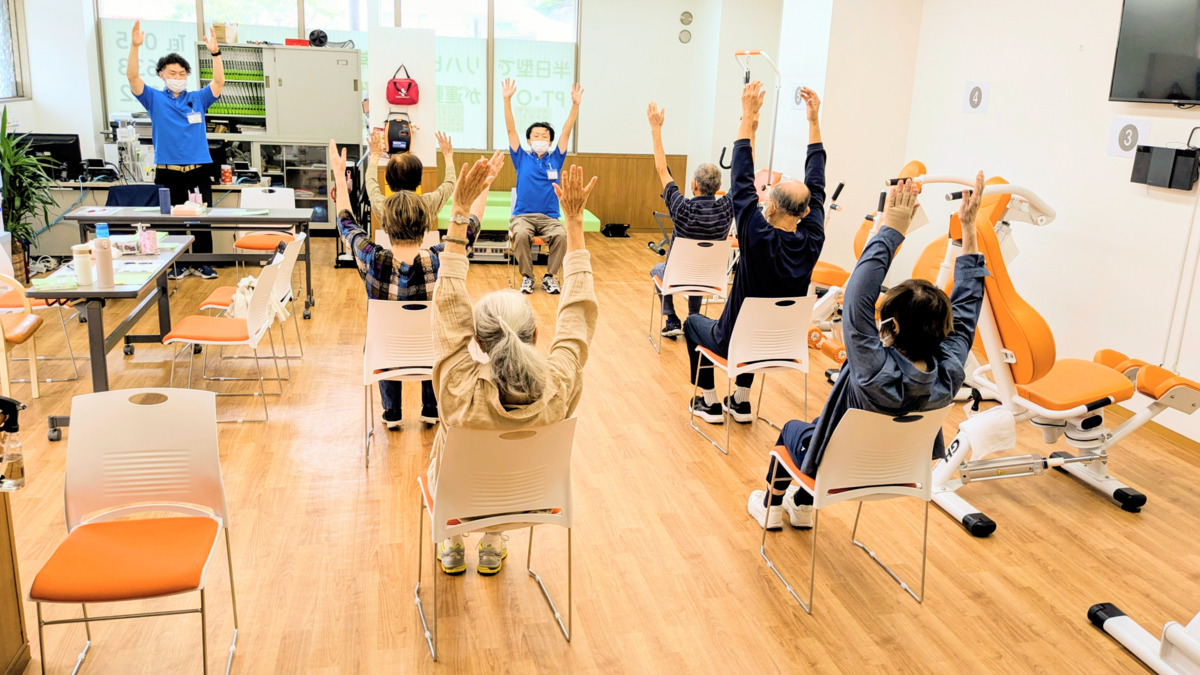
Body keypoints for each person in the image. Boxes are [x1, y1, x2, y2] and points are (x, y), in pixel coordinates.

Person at [747, 174, 989, 530]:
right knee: (817, 428)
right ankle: (800, 504)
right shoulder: (951, 371)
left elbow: (859, 293)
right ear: (946, 330)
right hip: (899, 475)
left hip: (836, 472)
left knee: (792, 431)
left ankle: (770, 505)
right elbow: (968, 303)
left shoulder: (873, 366)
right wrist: (969, 229)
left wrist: (892, 227)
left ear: (891, 325)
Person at [429, 163, 599, 576]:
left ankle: (452, 542)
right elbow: (578, 314)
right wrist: (573, 224)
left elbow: (447, 302)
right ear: (537, 334)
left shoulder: (457, 387)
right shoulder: (559, 385)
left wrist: (460, 210)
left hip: (461, 501)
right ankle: (492, 543)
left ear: (477, 340)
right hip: (529, 502)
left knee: (446, 435)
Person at [331, 139, 504, 428]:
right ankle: (431, 406)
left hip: (385, 356)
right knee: (434, 332)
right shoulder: (441, 260)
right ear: (425, 223)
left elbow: (345, 223)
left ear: (386, 224)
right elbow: (471, 225)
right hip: (430, 357)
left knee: (382, 334)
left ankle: (392, 411)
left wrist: (339, 175)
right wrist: (483, 184)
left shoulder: (373, 260)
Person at [686, 82, 827, 424]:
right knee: (751, 320)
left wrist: (748, 116)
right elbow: (818, 184)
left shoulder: (756, 235)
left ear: (772, 207)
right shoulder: (813, 238)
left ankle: (707, 401)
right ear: (807, 212)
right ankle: (741, 400)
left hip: (735, 343)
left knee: (692, 323)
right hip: (780, 349)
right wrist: (813, 121)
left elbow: (741, 179)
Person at [127, 20, 223, 280]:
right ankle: (177, 265)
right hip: (168, 171)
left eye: (182, 74)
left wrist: (215, 53)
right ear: (162, 74)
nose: (178, 78)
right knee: (171, 222)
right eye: (172, 73)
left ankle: (202, 263)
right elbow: (133, 78)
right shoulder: (154, 99)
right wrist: (135, 46)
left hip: (197, 170)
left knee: (201, 220)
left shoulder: (198, 98)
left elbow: (218, 81)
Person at [646, 102, 734, 338]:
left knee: (656, 269)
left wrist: (656, 129)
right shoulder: (727, 207)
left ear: (694, 184)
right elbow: (743, 180)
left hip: (678, 275)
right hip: (709, 278)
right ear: (719, 188)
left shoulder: (682, 208)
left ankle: (672, 318)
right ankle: (693, 320)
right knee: (698, 272)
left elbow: (662, 170)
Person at [503, 78, 583, 295]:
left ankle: (549, 277)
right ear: (529, 141)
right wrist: (506, 100)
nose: (540, 138)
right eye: (536, 136)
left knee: (562, 236)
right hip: (523, 217)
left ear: (549, 142)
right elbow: (511, 130)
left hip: (549, 217)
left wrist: (575, 105)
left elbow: (566, 132)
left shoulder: (556, 158)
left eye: (545, 136)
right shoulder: (521, 158)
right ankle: (527, 277)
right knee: (520, 235)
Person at [365, 129, 458, 236]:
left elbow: (371, 182)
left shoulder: (384, 206)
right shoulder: (427, 203)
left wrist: (375, 157)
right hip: (421, 252)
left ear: (389, 181)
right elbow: (450, 183)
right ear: (419, 179)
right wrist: (448, 156)